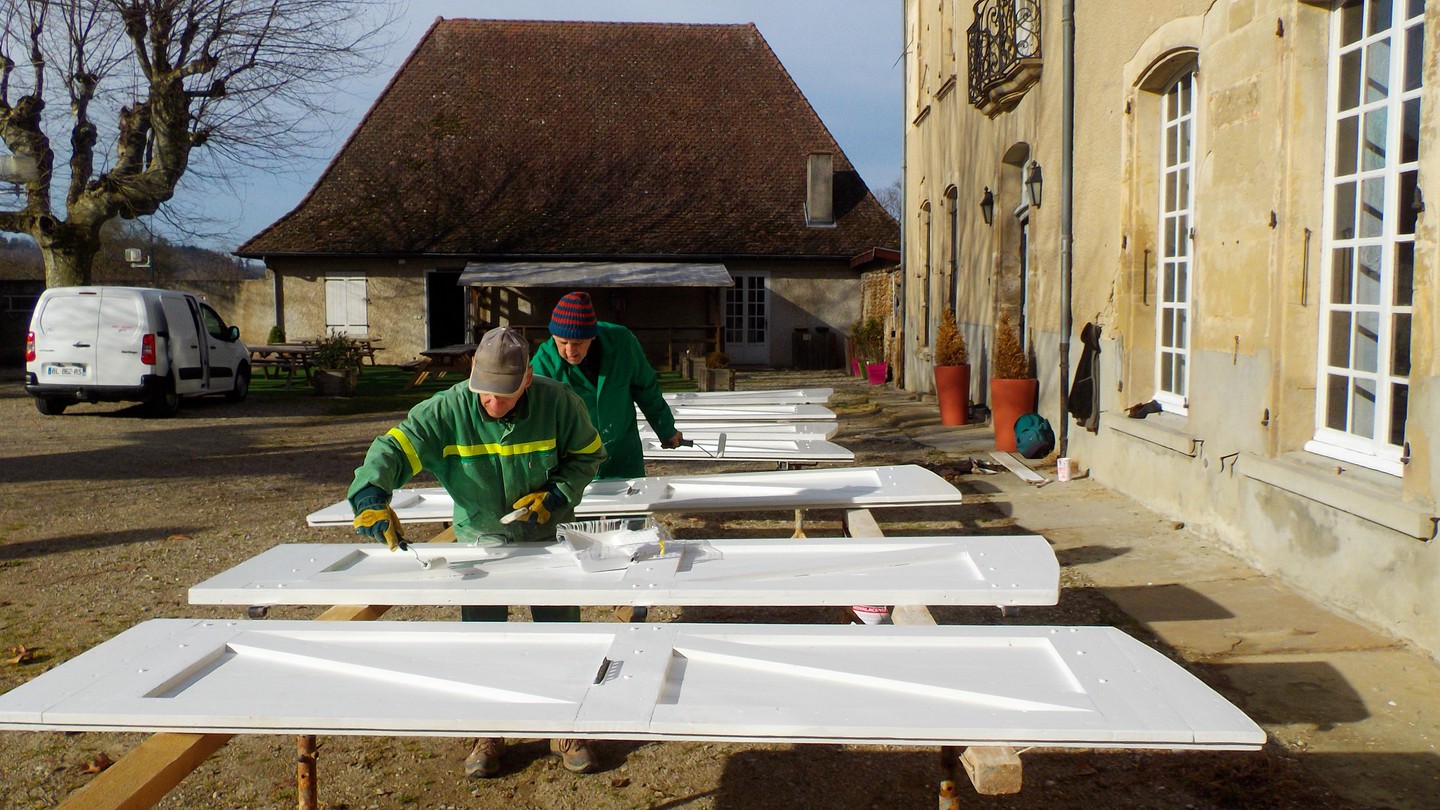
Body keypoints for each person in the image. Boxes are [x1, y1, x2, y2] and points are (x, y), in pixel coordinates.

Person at [346, 326, 607, 778]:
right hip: (479, 542)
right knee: (484, 637)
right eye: (484, 393)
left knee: (561, 630)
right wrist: (370, 496)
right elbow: (394, 447)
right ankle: (489, 728)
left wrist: (556, 495)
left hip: (544, 534)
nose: (492, 404)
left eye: (503, 395)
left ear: (527, 378)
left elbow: (588, 456)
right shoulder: (446, 410)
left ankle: (567, 722)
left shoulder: (559, 402)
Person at [531, 291, 683, 479]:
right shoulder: (543, 364)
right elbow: (533, 416)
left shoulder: (622, 343)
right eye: (562, 343)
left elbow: (646, 389)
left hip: (623, 453)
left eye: (578, 343)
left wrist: (666, 430)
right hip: (575, 461)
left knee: (631, 505)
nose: (570, 351)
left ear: (592, 336)